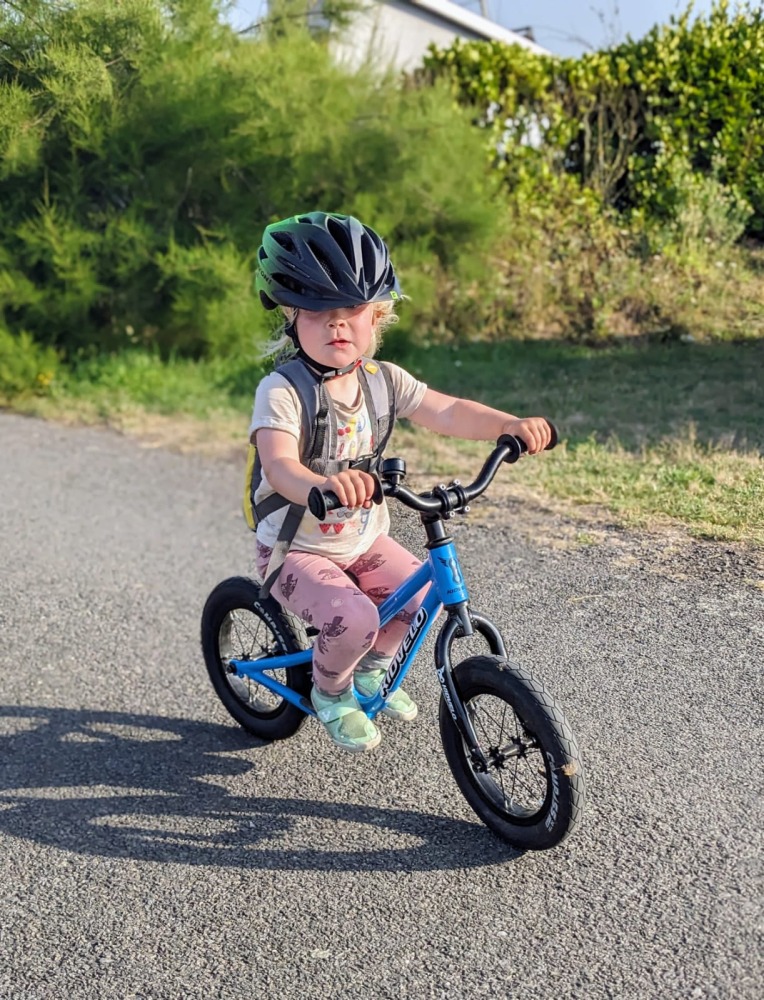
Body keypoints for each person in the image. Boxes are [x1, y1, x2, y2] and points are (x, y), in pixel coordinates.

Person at [250, 211, 553, 753]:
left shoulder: (383, 381)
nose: (336, 325)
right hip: (296, 548)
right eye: (319, 313)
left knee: (420, 598)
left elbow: (450, 410)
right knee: (353, 616)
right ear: (292, 318)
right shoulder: (282, 390)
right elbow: (278, 466)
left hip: (359, 539)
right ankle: (330, 690)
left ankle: (368, 673)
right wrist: (321, 486)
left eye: (351, 311)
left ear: (377, 317)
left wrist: (508, 425)